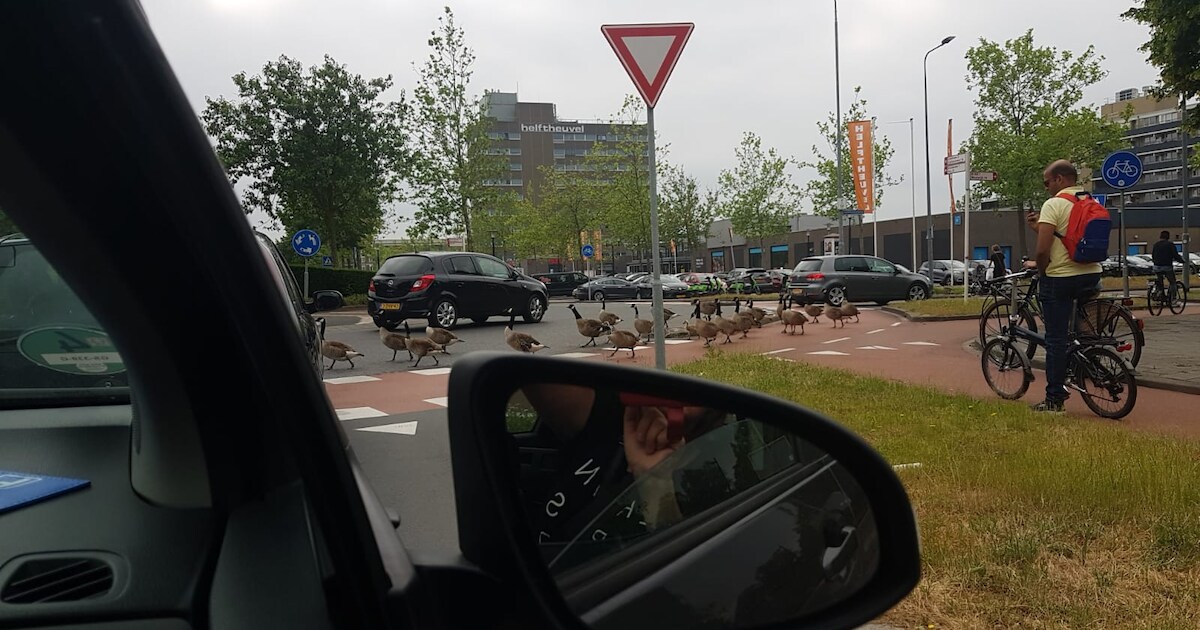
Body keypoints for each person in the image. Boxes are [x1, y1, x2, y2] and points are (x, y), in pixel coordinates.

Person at [1022, 160, 1103, 413]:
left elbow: (1043, 249)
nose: (1046, 187)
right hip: (1092, 274)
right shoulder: (1092, 201)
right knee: (1078, 331)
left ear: (1059, 179)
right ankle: (1088, 364)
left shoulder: (1054, 204)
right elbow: (1067, 238)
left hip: (1061, 278)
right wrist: (1039, 228)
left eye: (1047, 182)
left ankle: (1054, 399)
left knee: (1055, 339)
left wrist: (1043, 270)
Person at [1151, 230, 1185, 300]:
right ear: (1168, 237)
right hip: (1167, 267)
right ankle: (1172, 298)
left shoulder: (1156, 244)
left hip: (1156, 267)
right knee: (1172, 282)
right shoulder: (1170, 244)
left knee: (1160, 281)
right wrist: (1182, 261)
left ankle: (1159, 293)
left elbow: (1153, 255)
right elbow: (1175, 255)